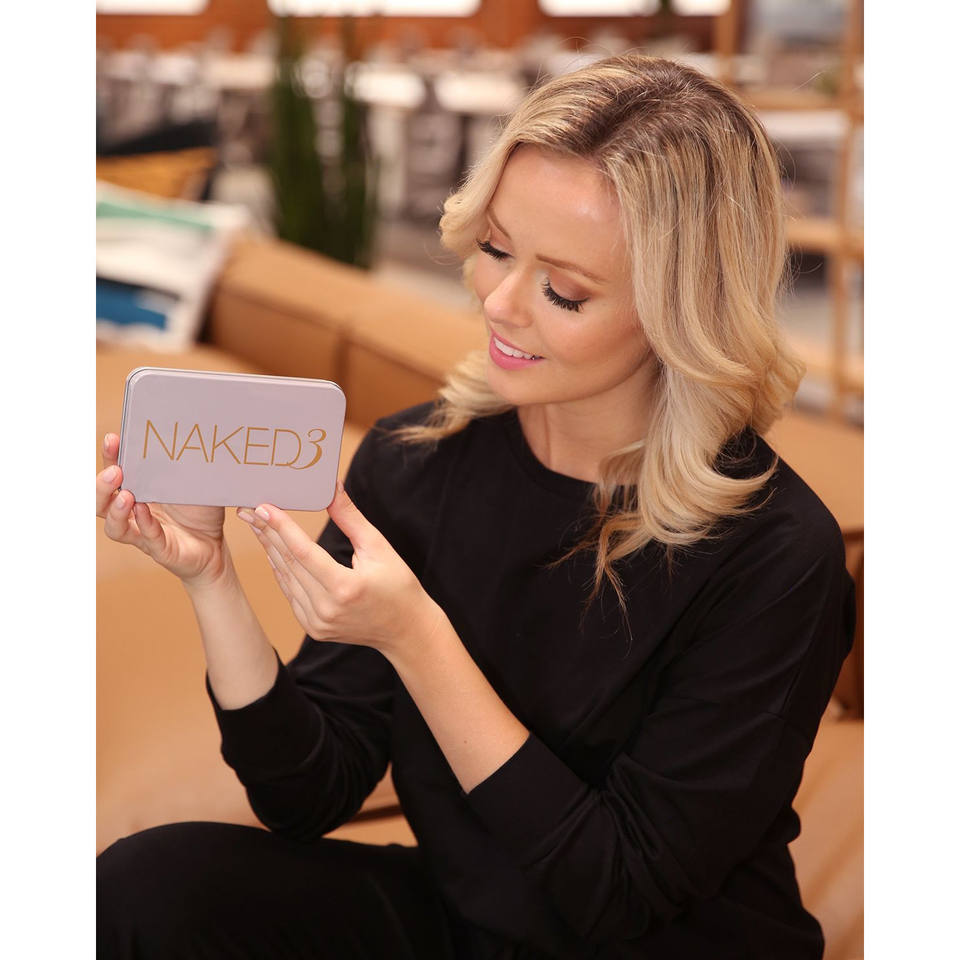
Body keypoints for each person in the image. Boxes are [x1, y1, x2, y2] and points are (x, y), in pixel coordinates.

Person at [96, 53, 855, 959]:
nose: (497, 302)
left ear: (682, 310)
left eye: (563, 290)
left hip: (658, 946)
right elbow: (307, 794)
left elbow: (618, 891)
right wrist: (211, 579)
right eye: (495, 249)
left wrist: (417, 638)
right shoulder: (418, 463)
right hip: (472, 924)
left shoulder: (778, 554)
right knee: (144, 889)